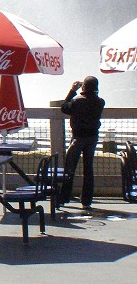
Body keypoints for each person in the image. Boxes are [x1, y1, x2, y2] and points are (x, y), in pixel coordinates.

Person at [59, 76, 106, 209]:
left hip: (78, 137)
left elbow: (63, 107)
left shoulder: (77, 102)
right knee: (88, 169)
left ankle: (64, 197)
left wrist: (72, 90)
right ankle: (86, 201)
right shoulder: (101, 102)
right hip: (92, 138)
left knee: (70, 168)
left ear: (83, 87)